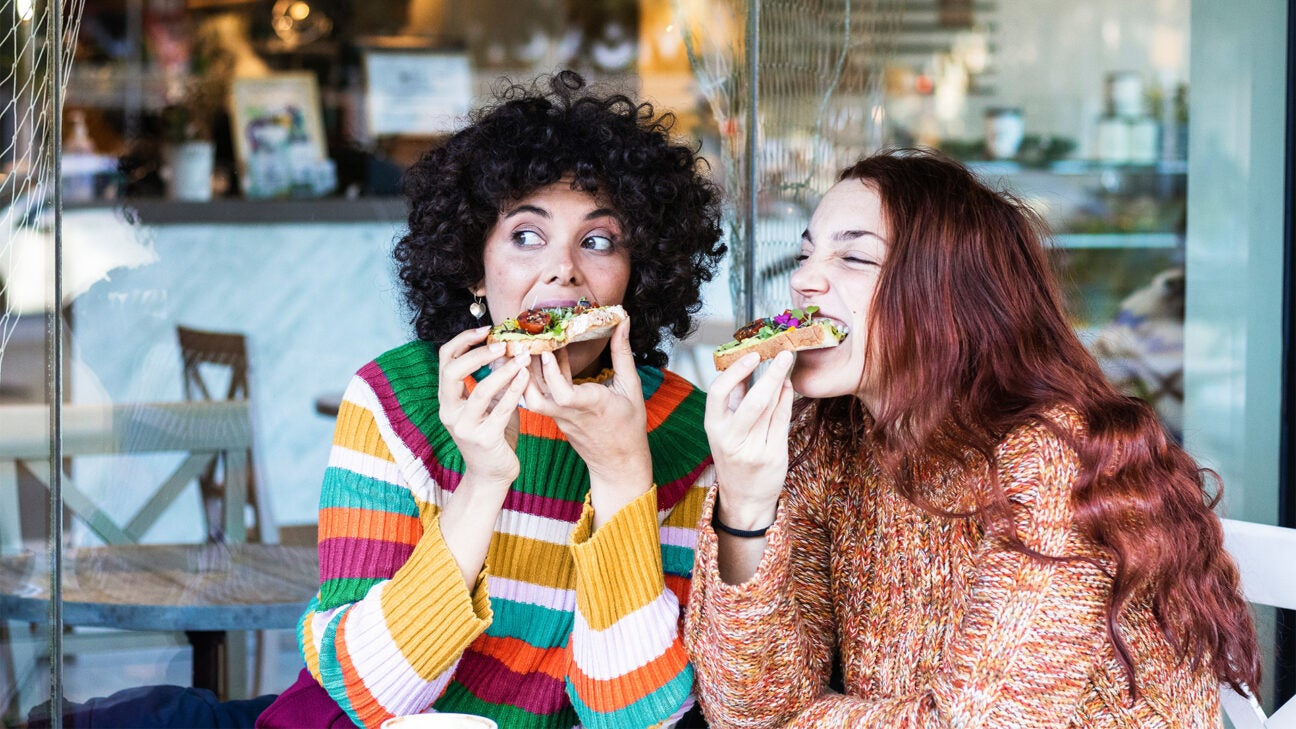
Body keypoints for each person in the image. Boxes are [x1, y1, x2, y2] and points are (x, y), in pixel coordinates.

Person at [684, 149, 1259, 727]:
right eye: (807, 252)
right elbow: (745, 709)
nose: (804, 278)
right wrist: (746, 501)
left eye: (855, 257)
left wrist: (799, 720)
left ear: (950, 299)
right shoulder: (827, 441)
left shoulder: (1051, 455)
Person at [257, 71, 724, 729]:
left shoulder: (689, 433)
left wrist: (622, 476)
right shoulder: (395, 401)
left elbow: (639, 721)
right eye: (526, 236)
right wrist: (481, 485)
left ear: (636, 273)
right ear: (475, 266)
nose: (562, 268)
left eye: (597, 240)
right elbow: (365, 694)